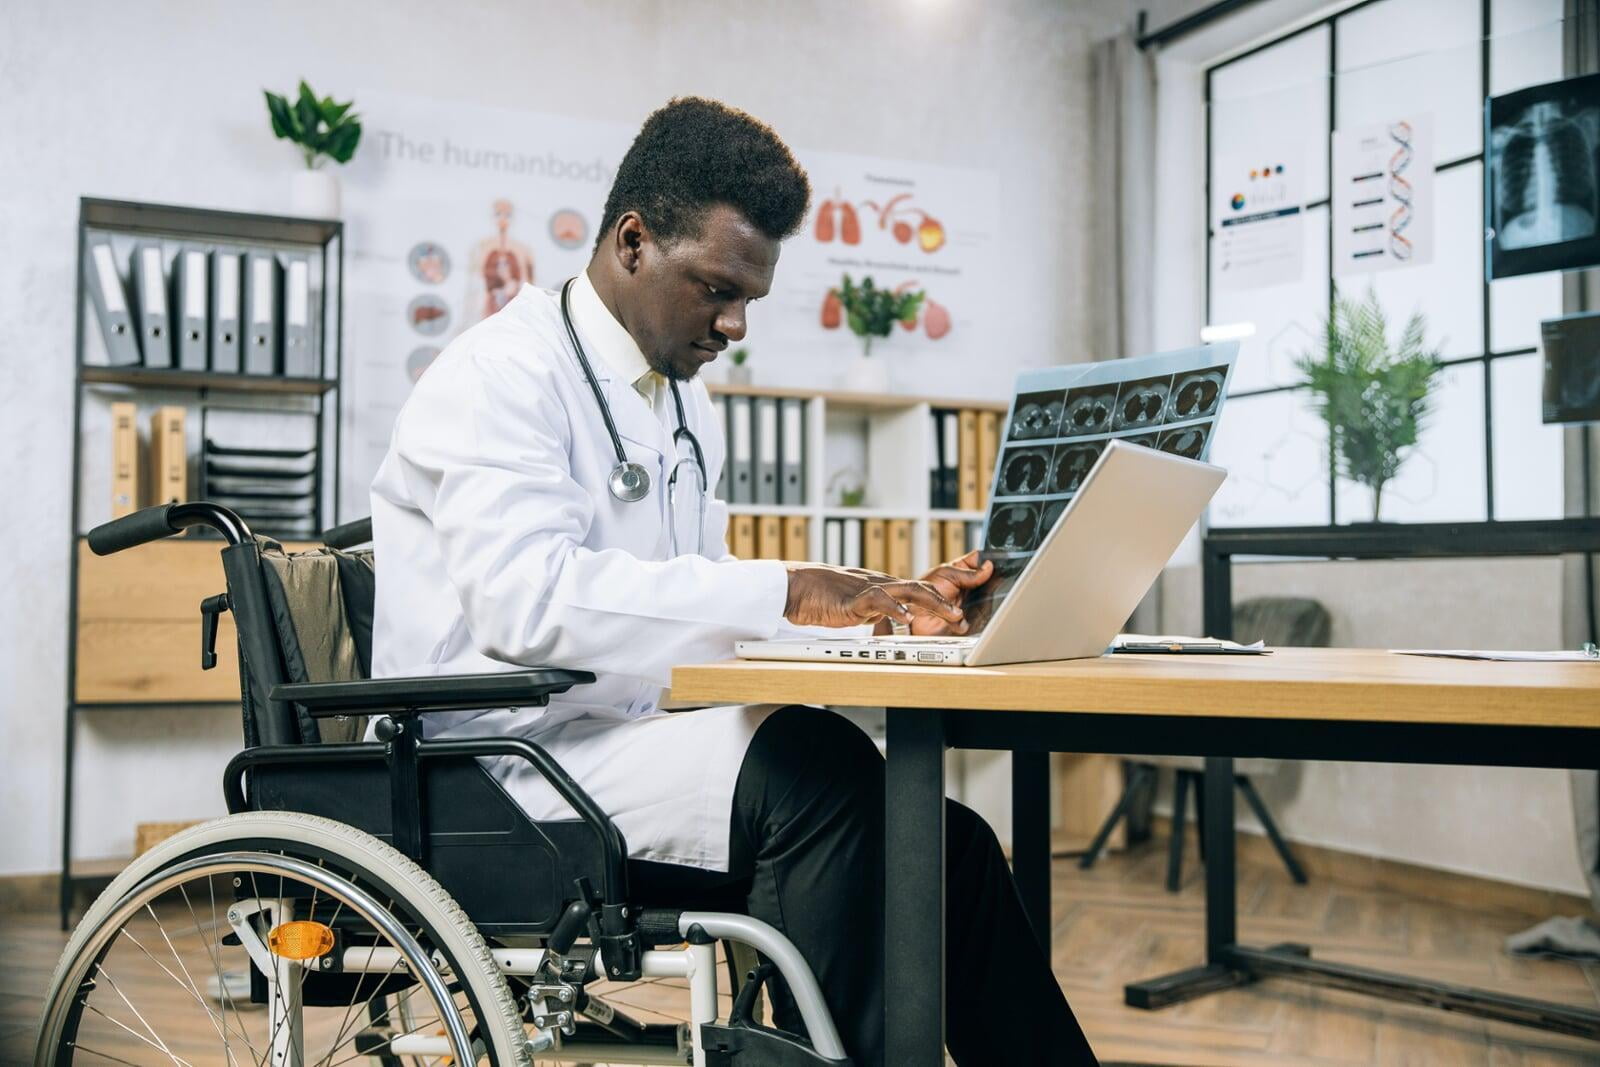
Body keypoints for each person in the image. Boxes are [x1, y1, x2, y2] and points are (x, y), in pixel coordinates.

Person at [370, 96, 1096, 1065]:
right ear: (632, 241)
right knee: (817, 773)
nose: (734, 323)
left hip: (621, 739)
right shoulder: (501, 374)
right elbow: (527, 600)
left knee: (939, 841)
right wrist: (791, 589)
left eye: (750, 296)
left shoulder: (681, 405)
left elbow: (695, 600)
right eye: (716, 287)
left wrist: (886, 611)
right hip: (498, 770)